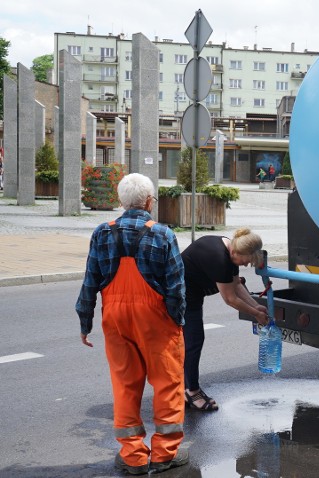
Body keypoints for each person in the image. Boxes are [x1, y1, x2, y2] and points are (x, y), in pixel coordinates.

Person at [75, 173, 189, 475]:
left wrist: (85, 322)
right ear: (150, 201)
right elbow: (176, 287)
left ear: (120, 201)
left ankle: (133, 457)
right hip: (155, 319)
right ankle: (165, 454)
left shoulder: (101, 233)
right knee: (168, 384)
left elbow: (90, 282)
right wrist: (177, 322)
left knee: (125, 385)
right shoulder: (163, 234)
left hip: (115, 317)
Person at [181, 228, 269, 411]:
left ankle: (184, 388)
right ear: (236, 253)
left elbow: (236, 284)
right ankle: (192, 392)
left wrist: (255, 305)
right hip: (180, 295)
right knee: (194, 341)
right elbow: (230, 299)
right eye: (246, 261)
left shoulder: (230, 248)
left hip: (191, 292)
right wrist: (255, 314)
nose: (246, 265)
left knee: (189, 342)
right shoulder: (219, 259)